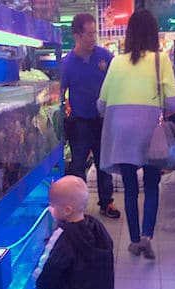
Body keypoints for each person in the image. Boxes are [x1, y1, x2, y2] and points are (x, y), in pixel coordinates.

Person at [97, 9, 175, 259]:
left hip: (121, 133)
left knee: (131, 188)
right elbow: (174, 104)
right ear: (154, 34)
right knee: (152, 185)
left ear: (129, 34)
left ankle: (133, 241)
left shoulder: (116, 62)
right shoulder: (160, 60)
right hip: (150, 134)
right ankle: (147, 237)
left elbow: (101, 105)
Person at [60, 13, 121, 219]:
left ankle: (106, 203)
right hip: (80, 123)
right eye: (89, 34)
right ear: (77, 36)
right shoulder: (67, 64)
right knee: (77, 166)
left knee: (104, 163)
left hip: (103, 120)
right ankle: (79, 207)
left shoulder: (104, 57)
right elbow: (59, 93)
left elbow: (117, 83)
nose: (93, 37)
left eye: (95, 33)